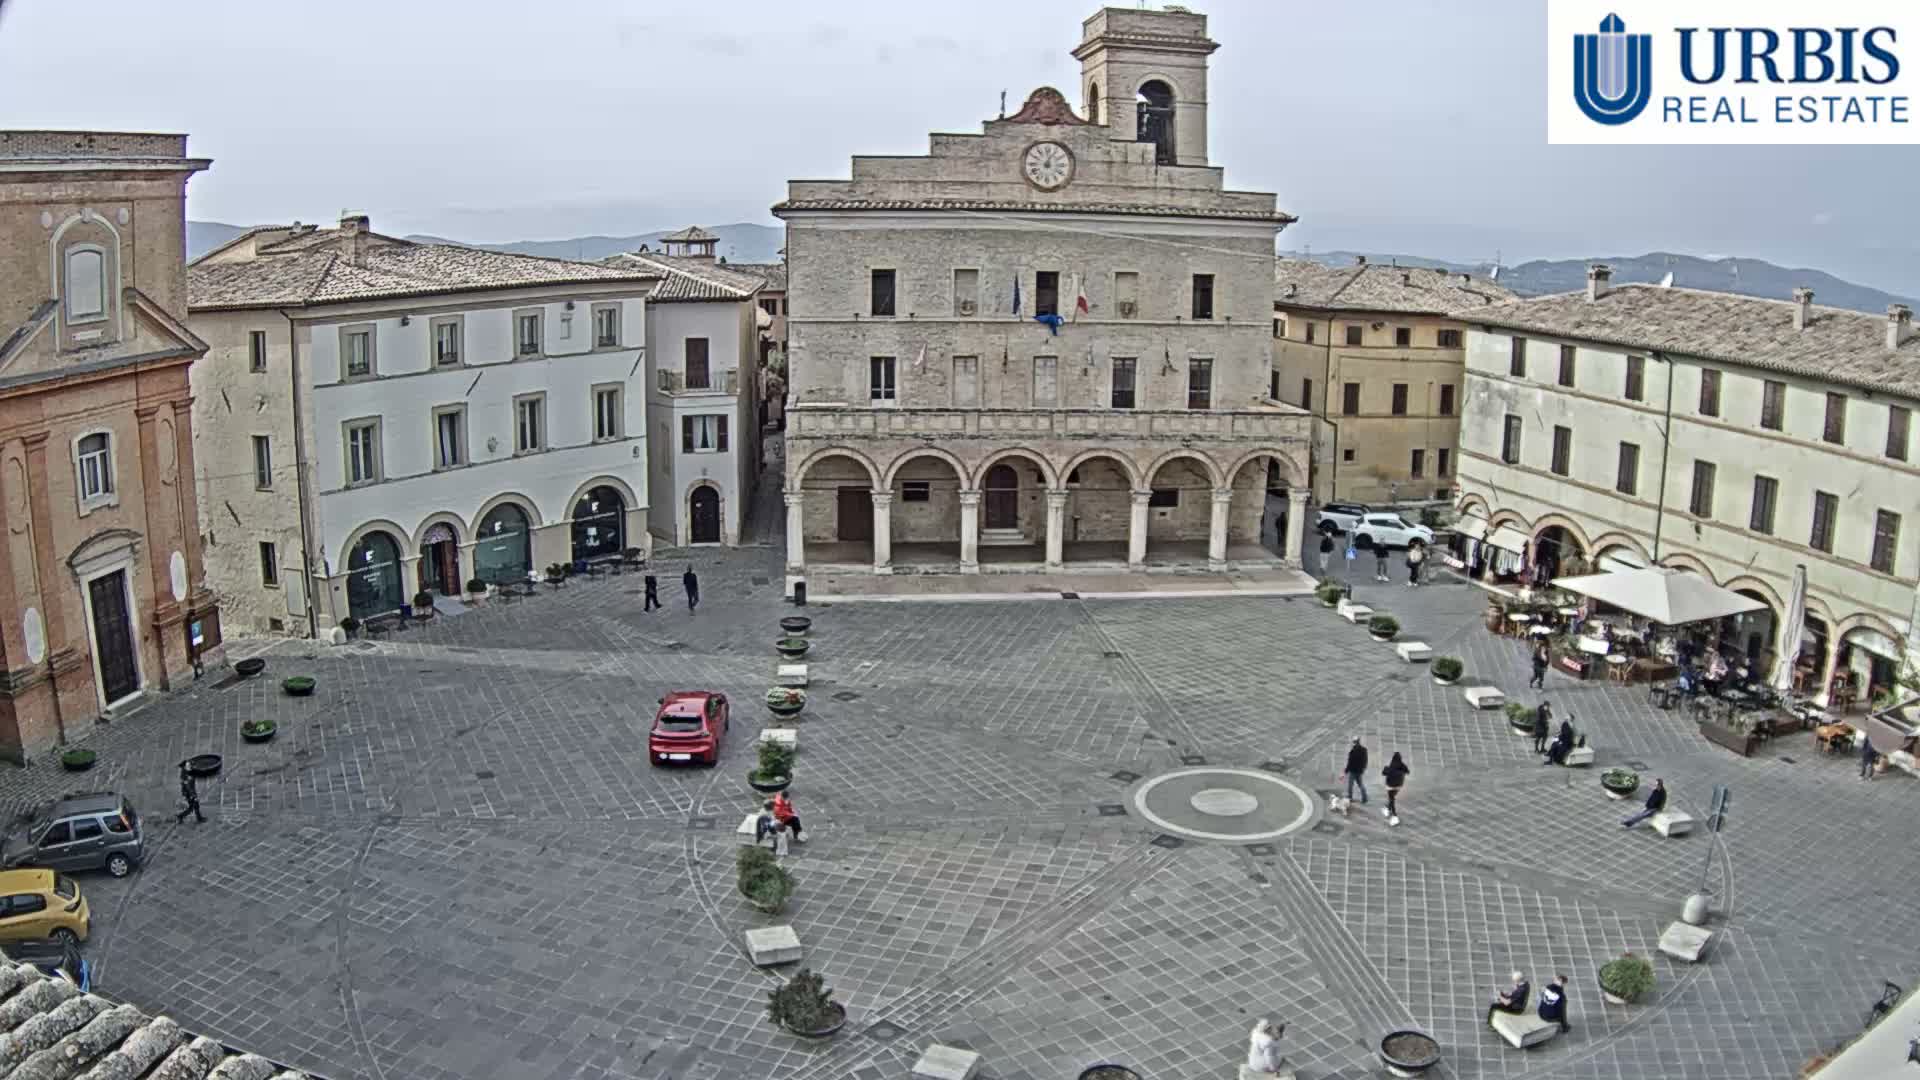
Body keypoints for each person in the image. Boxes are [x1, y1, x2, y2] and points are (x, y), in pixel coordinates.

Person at [1382, 751, 1410, 820]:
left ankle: (1394, 815)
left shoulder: (1391, 766)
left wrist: (1386, 768)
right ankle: (1388, 808)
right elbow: (1407, 771)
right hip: (1399, 785)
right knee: (1392, 798)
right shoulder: (1402, 765)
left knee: (1392, 799)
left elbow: (1384, 773)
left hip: (1390, 786)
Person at [1344, 736, 1369, 804]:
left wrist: (1345, 771)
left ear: (1354, 742)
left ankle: (1350, 797)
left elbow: (1350, 763)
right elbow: (1365, 760)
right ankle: (1365, 798)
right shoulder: (1364, 750)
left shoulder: (1352, 751)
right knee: (1361, 784)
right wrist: (1363, 768)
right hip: (1360, 771)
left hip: (1353, 771)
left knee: (1350, 785)